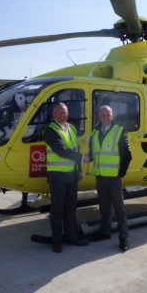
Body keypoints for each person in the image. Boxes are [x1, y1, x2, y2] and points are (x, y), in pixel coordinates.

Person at [86, 105, 132, 252]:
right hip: (100, 176)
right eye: (103, 114)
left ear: (112, 116)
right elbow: (93, 153)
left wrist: (121, 173)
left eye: (108, 114)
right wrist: (83, 157)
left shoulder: (119, 131)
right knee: (104, 207)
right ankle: (105, 232)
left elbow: (127, 155)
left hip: (114, 177)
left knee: (119, 208)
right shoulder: (95, 132)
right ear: (99, 116)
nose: (105, 117)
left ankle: (123, 238)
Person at [44, 102, 88, 253]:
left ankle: (72, 237)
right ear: (53, 114)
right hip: (57, 176)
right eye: (59, 112)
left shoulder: (71, 128)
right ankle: (57, 240)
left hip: (71, 175)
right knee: (57, 210)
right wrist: (82, 157)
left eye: (64, 112)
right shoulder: (50, 130)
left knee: (70, 209)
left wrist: (79, 171)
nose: (62, 115)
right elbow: (61, 151)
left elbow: (75, 148)